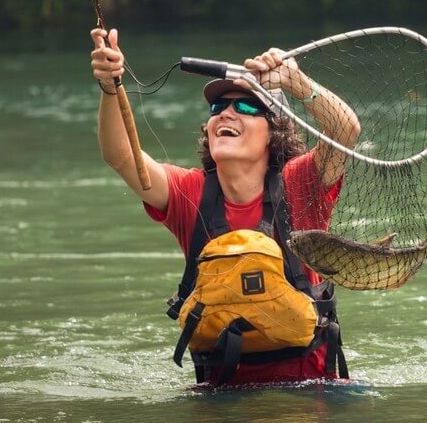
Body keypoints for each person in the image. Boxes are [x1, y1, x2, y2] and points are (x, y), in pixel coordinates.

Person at [89, 28, 361, 386]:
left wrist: (297, 83)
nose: (226, 113)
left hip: (308, 393)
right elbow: (120, 156)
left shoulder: (302, 182)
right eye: (219, 107)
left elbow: (346, 133)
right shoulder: (190, 191)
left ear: (274, 131)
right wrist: (111, 86)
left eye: (246, 107)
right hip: (221, 394)